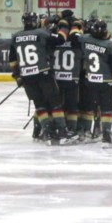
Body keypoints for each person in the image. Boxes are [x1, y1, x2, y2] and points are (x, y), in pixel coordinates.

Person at [10, 11, 72, 145]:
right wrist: (63, 25)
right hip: (43, 73)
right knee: (55, 103)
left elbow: (13, 61)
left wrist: (17, 76)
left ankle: (47, 133)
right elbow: (60, 39)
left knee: (40, 105)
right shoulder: (41, 33)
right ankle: (62, 132)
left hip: (27, 77)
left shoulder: (15, 37)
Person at [79, 19, 112, 147]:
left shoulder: (85, 39)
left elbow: (75, 38)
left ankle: (87, 131)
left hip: (90, 80)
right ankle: (106, 132)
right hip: (107, 82)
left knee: (89, 107)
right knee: (106, 109)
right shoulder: (110, 45)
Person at [53, 17, 85, 140]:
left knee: (56, 105)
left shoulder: (56, 40)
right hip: (72, 78)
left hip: (56, 78)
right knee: (72, 105)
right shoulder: (77, 40)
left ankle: (55, 128)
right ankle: (71, 129)